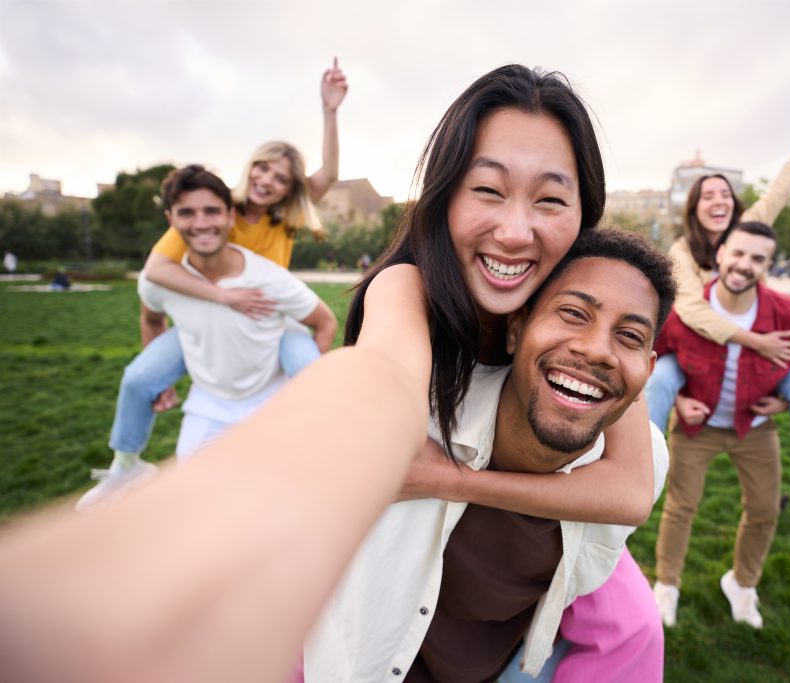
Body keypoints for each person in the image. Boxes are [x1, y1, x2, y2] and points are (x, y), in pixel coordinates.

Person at [0, 64, 653, 683]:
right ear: (444, 195)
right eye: (487, 189)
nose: (515, 230)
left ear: (585, 212)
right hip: (414, 572)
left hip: (520, 558)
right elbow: (379, 386)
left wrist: (453, 478)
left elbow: (627, 490)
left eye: (550, 199)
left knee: (633, 623)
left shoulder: (591, 321)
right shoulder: (407, 288)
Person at [306, 229, 675, 682]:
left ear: (649, 371)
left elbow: (627, 506)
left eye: (629, 336)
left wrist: (449, 479)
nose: (597, 349)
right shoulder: (425, 420)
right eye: (573, 313)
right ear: (516, 328)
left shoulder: (642, 463)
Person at [75, 58, 348, 510]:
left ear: (288, 190)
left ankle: (326, 464)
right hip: (208, 320)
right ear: (250, 167)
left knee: (312, 377)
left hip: (270, 324)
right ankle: (126, 465)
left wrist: (330, 111)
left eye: (280, 178)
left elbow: (329, 174)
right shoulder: (217, 211)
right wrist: (225, 295)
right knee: (139, 377)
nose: (268, 180)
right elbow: (158, 271)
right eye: (262, 168)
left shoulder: (284, 221)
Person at [645, 108, 790, 542]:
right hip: (702, 352)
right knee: (659, 378)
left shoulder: (749, 231)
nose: (718, 200)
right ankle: (632, 472)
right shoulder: (684, 251)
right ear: (695, 208)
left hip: (755, 356)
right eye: (708, 195)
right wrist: (754, 341)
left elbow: (782, 187)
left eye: (725, 193)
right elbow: (690, 313)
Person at [653, 221, 790, 629]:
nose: (743, 265)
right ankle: (667, 585)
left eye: (757, 258)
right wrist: (680, 401)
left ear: (768, 265)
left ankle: (743, 585)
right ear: (719, 254)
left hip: (754, 429)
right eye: (737, 253)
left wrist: (786, 402)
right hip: (696, 429)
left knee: (765, 510)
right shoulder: (687, 313)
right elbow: (655, 359)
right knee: (681, 508)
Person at [138, 165, 337, 463]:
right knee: (193, 498)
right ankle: (125, 463)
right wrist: (160, 376)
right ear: (171, 220)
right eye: (187, 213)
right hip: (209, 405)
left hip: (272, 398)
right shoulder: (162, 278)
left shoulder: (272, 270)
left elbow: (325, 321)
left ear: (231, 216)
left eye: (211, 211)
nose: (201, 222)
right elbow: (151, 318)